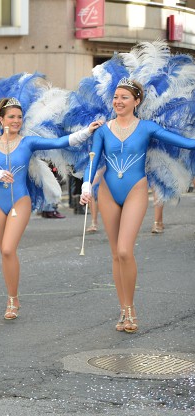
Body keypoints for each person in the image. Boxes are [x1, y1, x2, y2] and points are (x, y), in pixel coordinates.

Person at [80, 78, 195, 333]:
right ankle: (123, 310)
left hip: (136, 190)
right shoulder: (102, 130)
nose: (118, 101)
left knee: (124, 250)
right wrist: (86, 185)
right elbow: (93, 160)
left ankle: (131, 308)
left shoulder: (147, 128)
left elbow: (186, 143)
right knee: (115, 253)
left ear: (137, 101)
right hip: (107, 191)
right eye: (115, 97)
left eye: (124, 97)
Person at [0, 97, 101, 320]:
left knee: (8, 249)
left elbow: (60, 142)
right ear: (1, 119)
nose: (16, 120)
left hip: (20, 201)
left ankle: (12, 301)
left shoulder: (28, 142)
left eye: (19, 117)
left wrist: (87, 131)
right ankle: (12, 296)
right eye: (11, 117)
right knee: (5, 253)